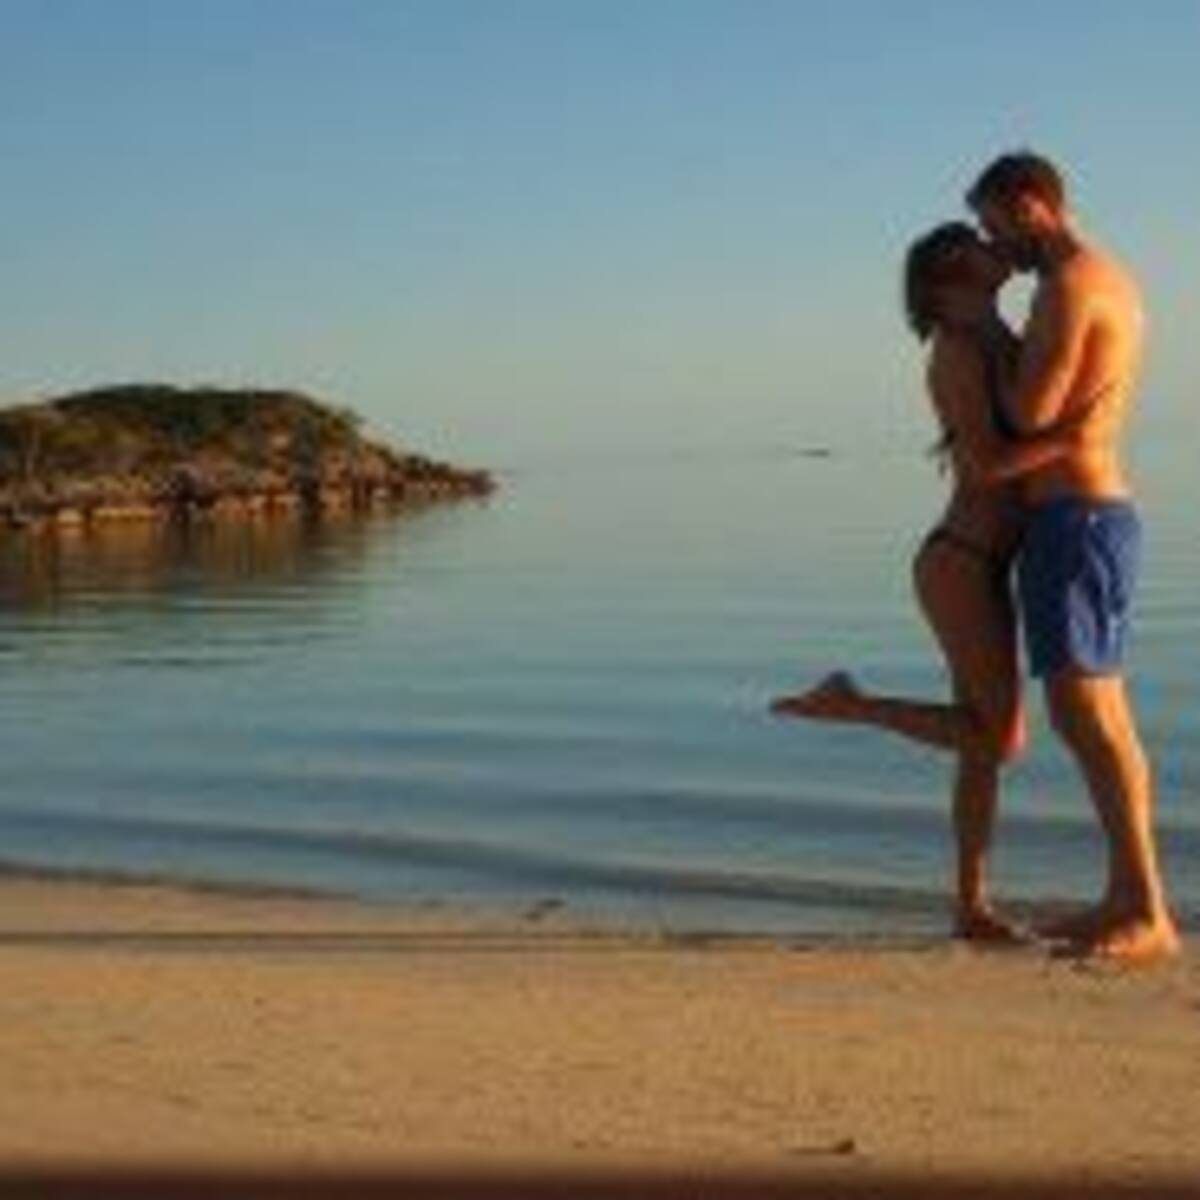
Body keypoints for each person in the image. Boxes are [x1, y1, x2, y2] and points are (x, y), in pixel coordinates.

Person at [771, 221, 1081, 942]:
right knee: (999, 740)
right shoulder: (958, 350)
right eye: (975, 241)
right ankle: (850, 705)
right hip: (961, 563)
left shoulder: (995, 335)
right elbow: (987, 467)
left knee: (981, 747)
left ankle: (971, 907)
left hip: (983, 562)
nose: (992, 244)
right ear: (951, 275)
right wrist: (1077, 437)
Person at [965, 151, 1179, 962]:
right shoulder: (1109, 278)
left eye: (995, 226)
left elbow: (1031, 410)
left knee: (1088, 716)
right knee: (1099, 716)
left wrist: (987, 336)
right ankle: (1126, 898)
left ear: (1031, 205)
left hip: (1077, 517)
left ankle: (1147, 911)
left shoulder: (1067, 286)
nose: (995, 245)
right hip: (1091, 515)